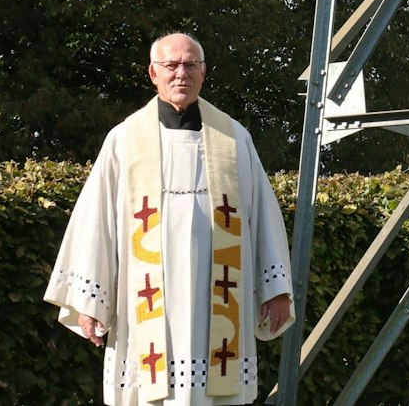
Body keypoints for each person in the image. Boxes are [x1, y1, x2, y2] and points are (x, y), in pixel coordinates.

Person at [46, 33, 295, 405]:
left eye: (190, 65)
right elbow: (96, 221)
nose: (182, 73)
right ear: (153, 73)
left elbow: (263, 216)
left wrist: (275, 290)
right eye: (171, 65)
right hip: (144, 298)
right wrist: (89, 299)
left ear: (203, 72)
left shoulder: (234, 138)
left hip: (219, 298)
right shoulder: (124, 140)